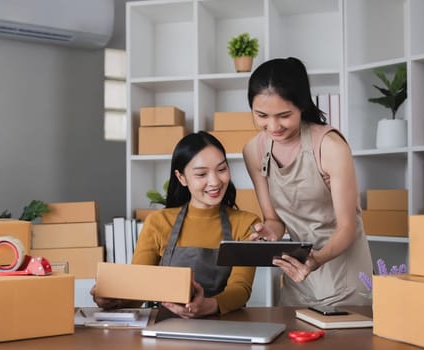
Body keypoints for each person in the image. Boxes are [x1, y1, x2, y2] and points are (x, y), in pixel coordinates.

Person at [242, 57, 373, 306]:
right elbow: (274, 220)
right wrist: (266, 234)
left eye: (284, 116)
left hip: (343, 272)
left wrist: (317, 259)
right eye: (261, 115)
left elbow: (348, 227)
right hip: (298, 275)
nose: (273, 126)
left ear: (301, 106)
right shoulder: (254, 151)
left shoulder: (330, 146)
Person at [91, 131, 261, 318]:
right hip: (167, 327)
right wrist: (113, 299)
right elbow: (138, 289)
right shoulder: (158, 222)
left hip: (226, 324)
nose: (215, 181)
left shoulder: (246, 224)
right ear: (181, 178)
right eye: (201, 174)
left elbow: (241, 288)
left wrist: (209, 306)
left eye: (221, 169)